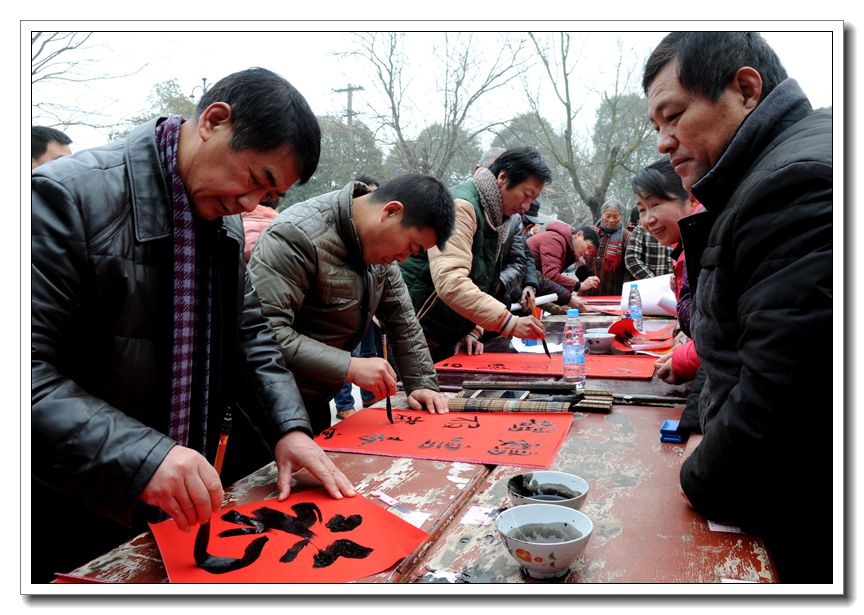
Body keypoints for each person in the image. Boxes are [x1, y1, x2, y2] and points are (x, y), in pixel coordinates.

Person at [31, 68, 356, 582]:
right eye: (255, 179)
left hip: (176, 494)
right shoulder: (64, 197)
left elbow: (250, 336)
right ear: (214, 121)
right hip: (77, 496)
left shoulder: (222, 220)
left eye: (268, 195)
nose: (251, 204)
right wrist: (144, 457)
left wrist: (289, 428)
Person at [643, 31, 832, 582]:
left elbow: (786, 392)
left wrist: (701, 472)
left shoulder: (796, 182)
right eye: (656, 127)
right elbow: (733, 340)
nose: (664, 143)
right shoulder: (763, 174)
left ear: (746, 90)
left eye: (673, 116)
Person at [248, 173, 454, 435]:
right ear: (391, 211)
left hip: (314, 399)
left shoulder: (380, 256)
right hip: (263, 403)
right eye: (410, 247)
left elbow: (403, 321)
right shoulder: (295, 235)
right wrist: (349, 366)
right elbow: (265, 332)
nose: (403, 259)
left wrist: (422, 384)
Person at [399, 146, 551, 361]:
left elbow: (484, 282)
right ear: (503, 178)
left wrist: (472, 330)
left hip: (441, 333)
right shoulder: (461, 207)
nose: (526, 206)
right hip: (414, 329)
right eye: (526, 195)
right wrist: (509, 323)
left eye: (533, 199)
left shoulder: (497, 217)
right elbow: (451, 281)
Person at [631, 159, 702, 385]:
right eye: (642, 210)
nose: (648, 220)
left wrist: (686, 358)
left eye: (655, 204)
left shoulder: (706, 240)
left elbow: (725, 330)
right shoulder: (686, 244)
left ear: (690, 196)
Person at [333, 175, 382, 419]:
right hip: (342, 311)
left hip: (368, 311)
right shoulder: (334, 233)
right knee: (346, 358)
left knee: (368, 354)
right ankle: (344, 405)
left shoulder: (380, 238)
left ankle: (369, 395)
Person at [526, 222, 600, 309]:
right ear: (579, 235)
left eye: (590, 252)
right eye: (588, 247)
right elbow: (550, 276)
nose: (587, 253)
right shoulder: (555, 239)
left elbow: (546, 281)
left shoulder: (569, 249)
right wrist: (579, 286)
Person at [577, 199, 632, 297]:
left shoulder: (627, 237)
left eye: (615, 217)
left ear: (621, 216)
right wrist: (582, 271)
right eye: (608, 216)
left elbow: (629, 266)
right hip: (587, 291)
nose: (611, 220)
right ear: (602, 214)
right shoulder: (589, 232)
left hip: (613, 291)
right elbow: (577, 254)